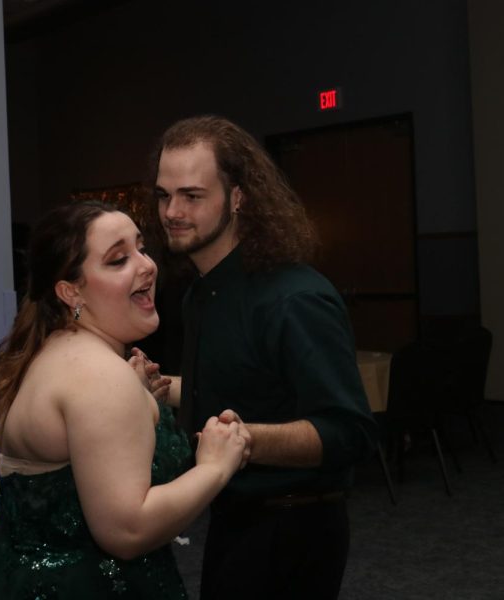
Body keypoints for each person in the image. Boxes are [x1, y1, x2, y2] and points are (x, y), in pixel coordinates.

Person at [0, 201, 247, 599]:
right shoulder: (100, 377)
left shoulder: (48, 352)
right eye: (118, 260)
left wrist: (140, 401)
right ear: (70, 290)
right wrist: (215, 466)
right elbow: (127, 532)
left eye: (141, 248)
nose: (146, 265)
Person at [150, 115, 379, 599]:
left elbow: (350, 432)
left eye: (192, 196)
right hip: (233, 518)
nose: (172, 211)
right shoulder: (199, 294)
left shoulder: (292, 298)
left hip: (296, 528)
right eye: (163, 195)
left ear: (237, 198)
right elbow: (235, 389)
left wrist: (245, 441)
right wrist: (159, 386)